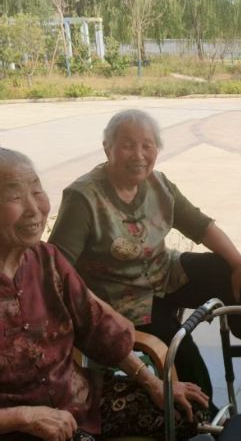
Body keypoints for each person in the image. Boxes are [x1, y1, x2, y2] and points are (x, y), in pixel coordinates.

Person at [48, 110, 241, 406]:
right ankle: (199, 415)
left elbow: (202, 226)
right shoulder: (83, 197)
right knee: (184, 356)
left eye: (147, 145)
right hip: (119, 299)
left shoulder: (158, 184)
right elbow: (57, 269)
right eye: (128, 145)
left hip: (164, 273)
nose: (139, 155)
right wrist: (99, 314)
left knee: (223, 269)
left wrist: (239, 265)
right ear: (108, 148)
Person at [0, 148, 208, 441]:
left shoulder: (47, 260)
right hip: (17, 427)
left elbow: (97, 324)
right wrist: (24, 417)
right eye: (15, 197)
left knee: (188, 413)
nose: (34, 209)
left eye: (36, 191)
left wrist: (153, 383)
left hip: (79, 399)